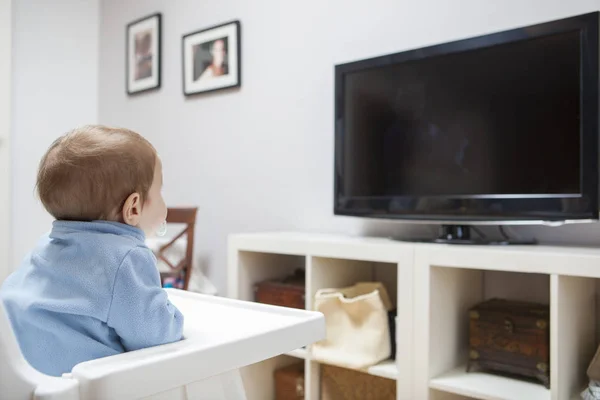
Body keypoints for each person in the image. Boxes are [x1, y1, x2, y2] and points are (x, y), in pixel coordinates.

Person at [0, 125, 184, 377]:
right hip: (81, 387)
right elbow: (155, 335)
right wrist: (173, 318)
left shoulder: (45, 243)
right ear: (133, 208)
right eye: (159, 191)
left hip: (21, 376)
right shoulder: (127, 258)